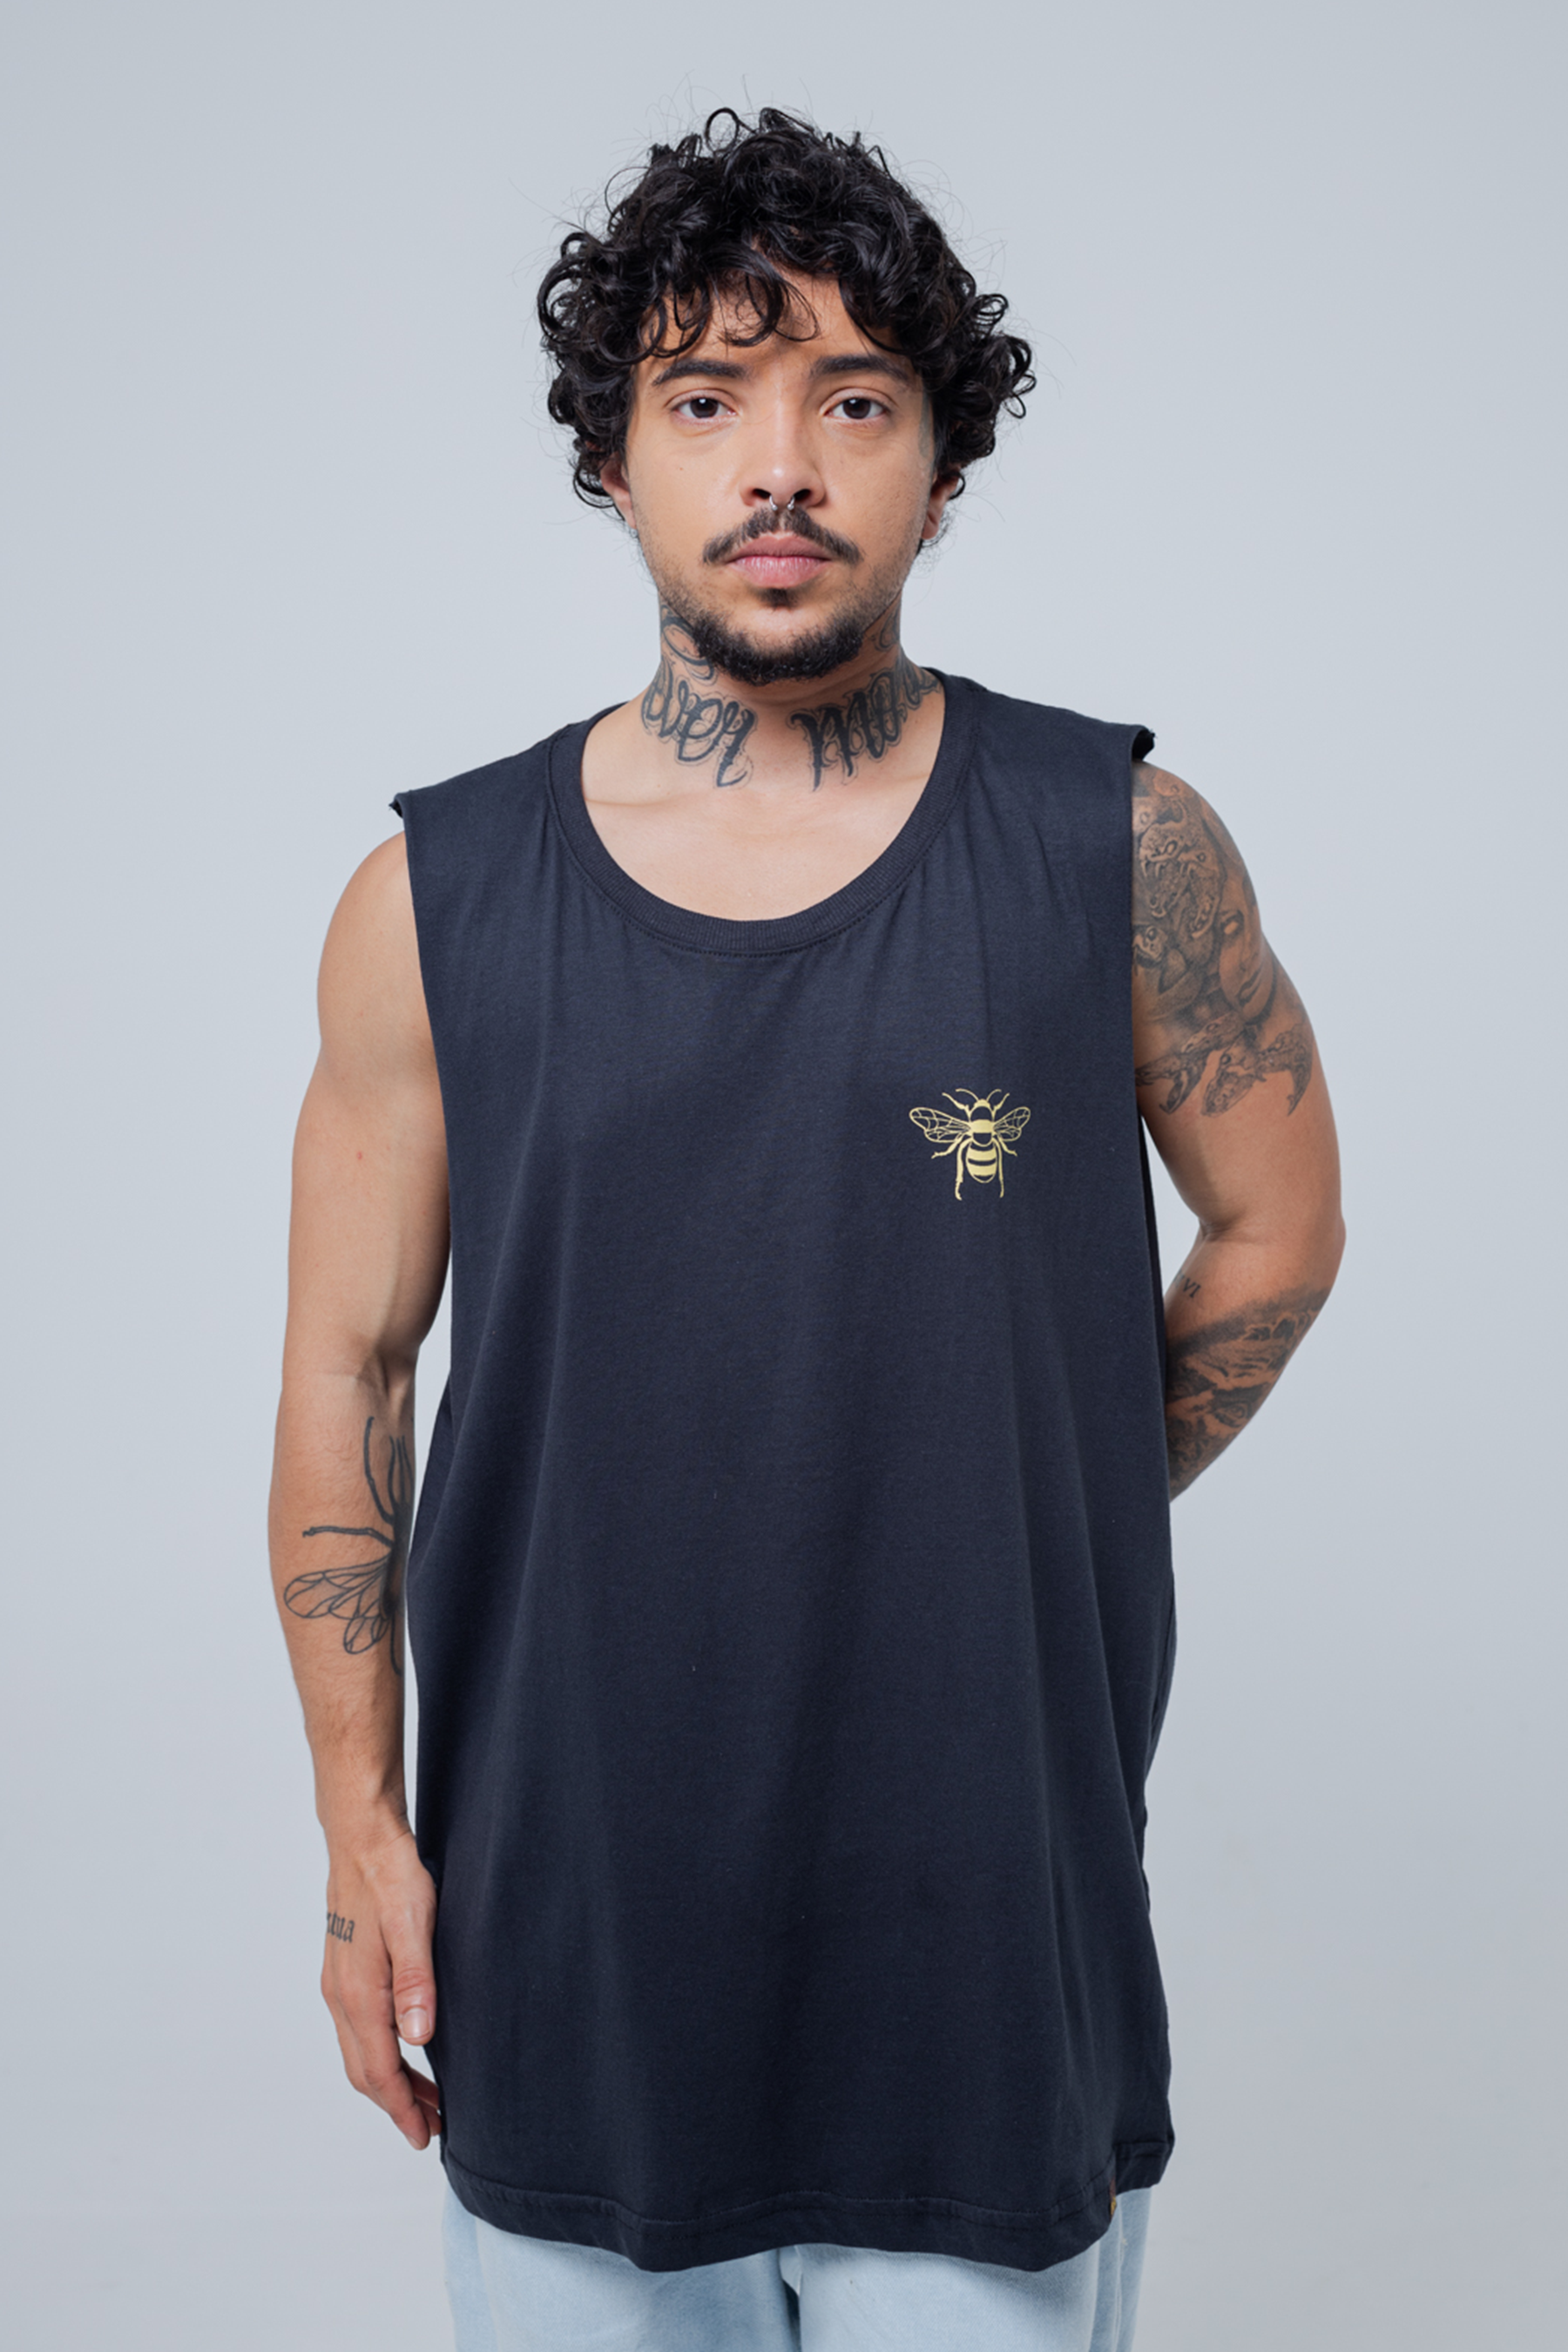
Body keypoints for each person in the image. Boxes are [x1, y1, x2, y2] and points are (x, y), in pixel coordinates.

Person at [269, 108, 1344, 2352]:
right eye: (705, 401)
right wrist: (363, 1836)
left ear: (940, 467)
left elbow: (1277, 1229)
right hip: (568, 1944)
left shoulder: (1116, 846)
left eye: (855, 402)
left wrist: (1041, 1492)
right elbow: (348, 1374)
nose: (782, 469)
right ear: (612, 461)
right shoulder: (432, 903)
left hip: (983, 1954)